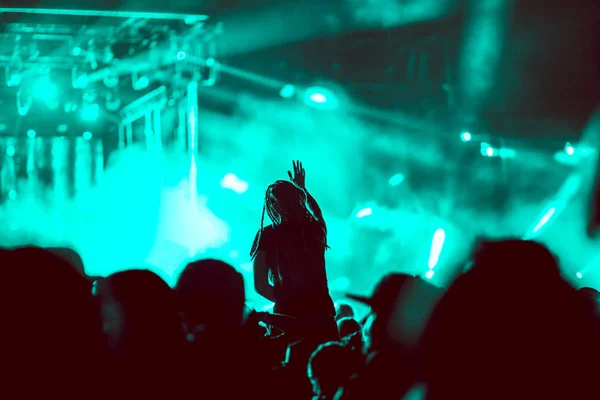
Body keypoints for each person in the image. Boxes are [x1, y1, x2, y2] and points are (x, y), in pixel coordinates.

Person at [250, 160, 338, 342]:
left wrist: (285, 300)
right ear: (299, 199)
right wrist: (302, 189)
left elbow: (260, 284)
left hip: (286, 318)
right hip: (322, 315)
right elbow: (317, 213)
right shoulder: (315, 229)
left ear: (272, 206)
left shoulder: (267, 234)